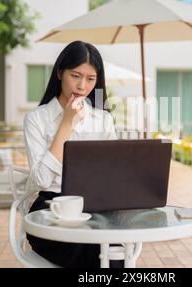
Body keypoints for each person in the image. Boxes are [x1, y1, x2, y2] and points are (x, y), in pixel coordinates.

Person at [23, 41, 121, 268]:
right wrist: (66, 124)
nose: (81, 86)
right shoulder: (37, 119)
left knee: (114, 250)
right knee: (88, 247)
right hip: (51, 209)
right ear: (60, 73)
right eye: (75, 76)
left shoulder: (102, 119)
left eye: (90, 79)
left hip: (94, 207)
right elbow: (41, 180)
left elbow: (114, 174)